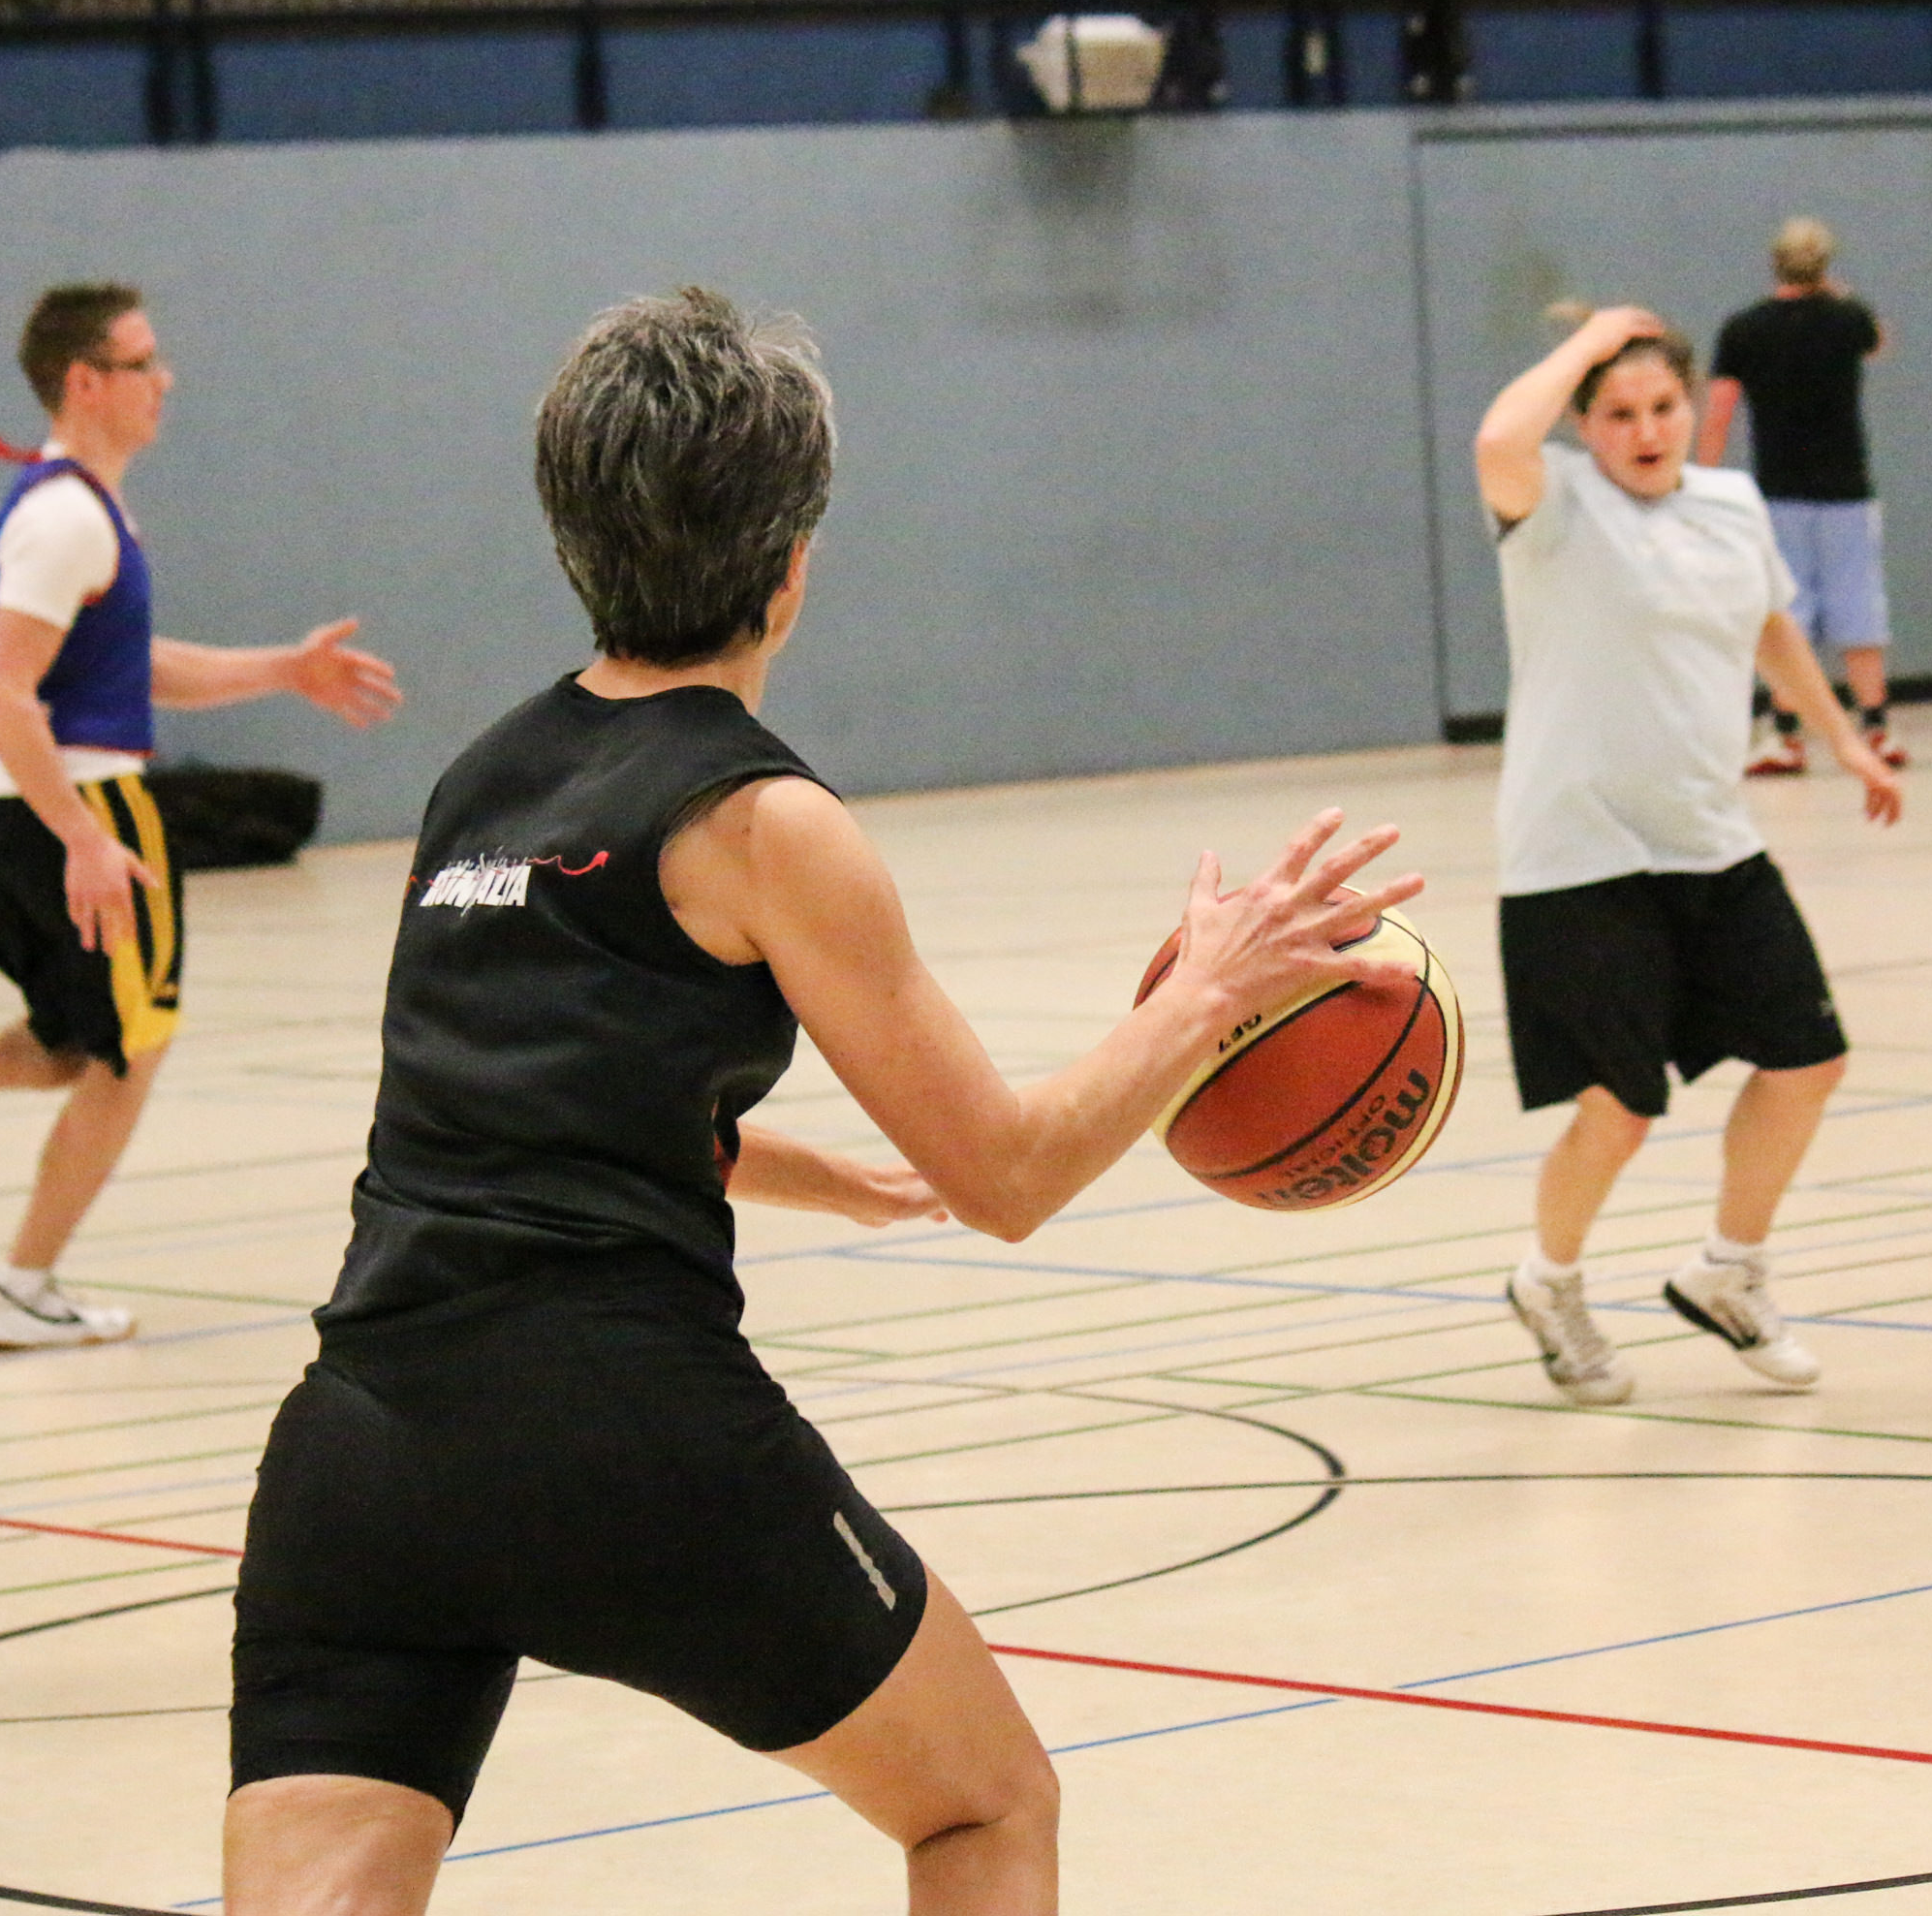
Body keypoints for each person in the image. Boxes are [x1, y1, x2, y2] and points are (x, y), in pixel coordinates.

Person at [220, 289, 1420, 1915]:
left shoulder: (481, 778)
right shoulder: (763, 819)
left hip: (363, 1449)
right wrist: (1205, 991)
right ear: (791, 562)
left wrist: (826, 1177)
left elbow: (527, 1113)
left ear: (571, 532)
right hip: (622, 1429)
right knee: (984, 1805)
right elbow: (1008, 1173)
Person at [0, 284, 401, 1351]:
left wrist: (285, 669)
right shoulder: (66, 519)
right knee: (134, 1049)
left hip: (6, 818)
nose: (164, 380)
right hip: (77, 807)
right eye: (142, 363)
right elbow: (5, 695)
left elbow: (130, 668)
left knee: (80, 1035)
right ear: (84, 382)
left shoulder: (73, 510)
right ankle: (20, 1286)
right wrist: (87, 840)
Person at [1473, 303, 1902, 1409]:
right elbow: (1497, 438)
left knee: (1806, 1059)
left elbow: (1768, 627)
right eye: (1617, 413)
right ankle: (1547, 1283)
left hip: (1709, 841)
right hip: (1577, 855)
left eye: (1663, 406)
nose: (1647, 430)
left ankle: (1728, 1269)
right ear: (1585, 424)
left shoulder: (1730, 504)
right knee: (1619, 1108)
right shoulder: (1552, 504)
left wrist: (1843, 737)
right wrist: (1588, 341)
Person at [1701, 217, 1907, 775]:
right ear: (1825, 265)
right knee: (1860, 610)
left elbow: (1719, 410)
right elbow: (1881, 342)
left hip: (1777, 495)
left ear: (1774, 263)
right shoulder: (1848, 319)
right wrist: (1838, 294)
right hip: (1847, 491)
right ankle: (1877, 729)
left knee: (1783, 615)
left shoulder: (1744, 328)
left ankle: (1787, 736)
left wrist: (1703, 480)